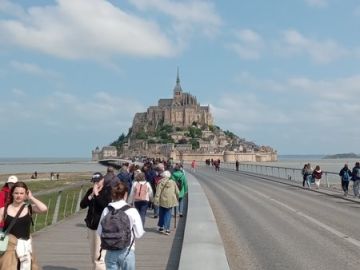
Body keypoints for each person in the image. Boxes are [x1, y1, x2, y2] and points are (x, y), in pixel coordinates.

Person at [0, 181, 48, 270]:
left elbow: (44, 209)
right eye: (16, 193)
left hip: (26, 247)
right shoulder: (4, 209)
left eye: (22, 193)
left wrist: (31, 197)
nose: (19, 195)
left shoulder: (29, 208)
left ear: (26, 194)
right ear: (12, 194)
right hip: (9, 249)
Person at [97, 182, 144, 270]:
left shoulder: (106, 210)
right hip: (127, 250)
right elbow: (139, 234)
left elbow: (100, 232)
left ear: (112, 195)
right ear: (125, 194)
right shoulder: (132, 211)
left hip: (110, 251)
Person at [80, 172, 112, 270]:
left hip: (101, 227)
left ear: (102, 180)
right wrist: (91, 195)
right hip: (91, 226)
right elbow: (82, 205)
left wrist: (97, 194)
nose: (96, 183)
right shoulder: (91, 190)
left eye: (97, 181)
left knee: (99, 256)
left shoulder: (108, 191)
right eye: (94, 181)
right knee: (93, 255)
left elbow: (105, 206)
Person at [154, 170, 179, 235]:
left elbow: (158, 192)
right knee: (168, 214)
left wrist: (156, 200)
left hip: (162, 200)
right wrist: (178, 197)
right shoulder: (173, 182)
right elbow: (177, 192)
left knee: (161, 214)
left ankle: (161, 227)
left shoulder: (160, 182)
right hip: (170, 201)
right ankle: (167, 229)